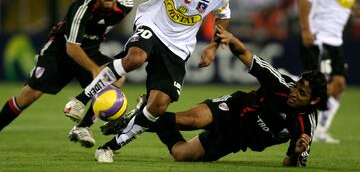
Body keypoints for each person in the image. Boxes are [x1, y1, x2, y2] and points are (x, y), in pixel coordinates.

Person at [95, 25, 328, 165]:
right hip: (235, 108)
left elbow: (289, 163)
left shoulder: (305, 127)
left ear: (314, 100)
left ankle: (145, 111)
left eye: (302, 92)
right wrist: (230, 38)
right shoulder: (280, 84)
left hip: (237, 139)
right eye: (297, 86)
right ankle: (137, 118)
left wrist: (297, 154)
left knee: (180, 154)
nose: (294, 93)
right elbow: (246, 55)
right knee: (190, 120)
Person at [72, 0, 230, 154]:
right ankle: (80, 100)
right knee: (136, 58)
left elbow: (223, 16)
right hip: (152, 25)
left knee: (158, 106)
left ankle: (109, 148)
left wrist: (213, 46)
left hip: (178, 48)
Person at [0, 0, 133, 139]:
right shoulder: (83, 6)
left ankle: (83, 127)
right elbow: (72, 47)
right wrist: (94, 70)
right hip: (60, 51)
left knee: (117, 77)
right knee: (28, 96)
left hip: (90, 50)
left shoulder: (126, 4)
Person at [298, 0, 360, 143]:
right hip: (319, 38)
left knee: (339, 85)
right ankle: (300, 120)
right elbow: (305, 0)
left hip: (335, 41)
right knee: (319, 87)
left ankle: (321, 129)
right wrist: (306, 30)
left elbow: (343, 2)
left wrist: (355, 10)